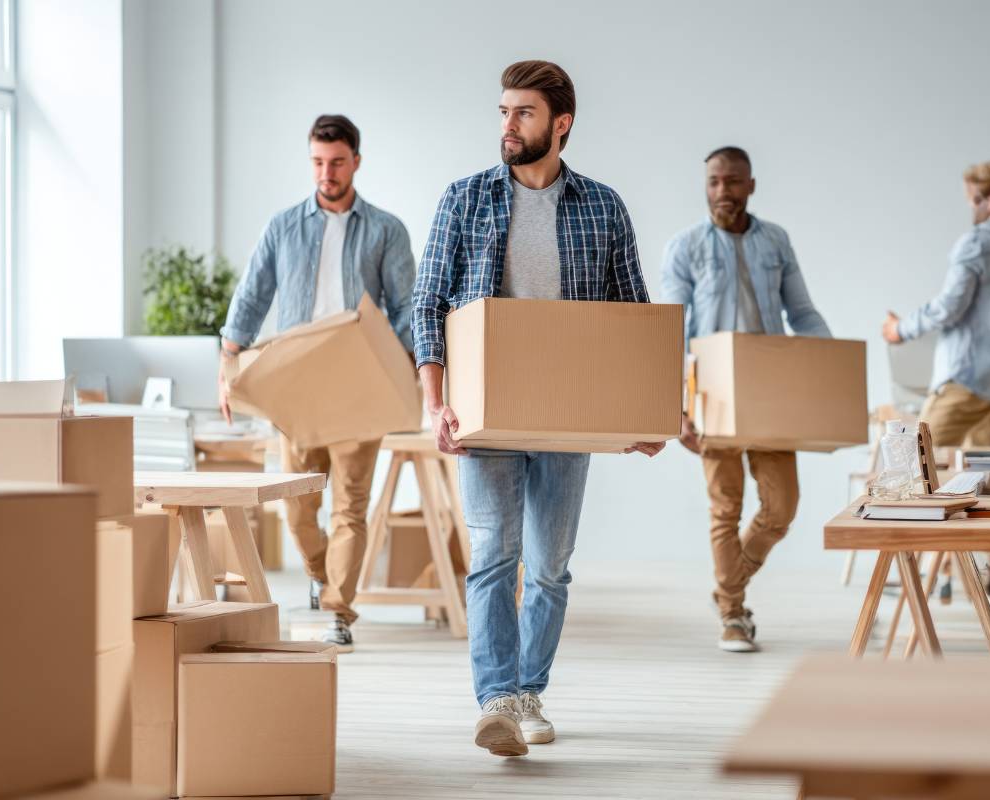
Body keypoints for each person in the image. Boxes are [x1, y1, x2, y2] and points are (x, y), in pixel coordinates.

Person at [412, 60, 663, 757]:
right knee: (495, 553)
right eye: (503, 111)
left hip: (566, 414)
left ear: (561, 124)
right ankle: (496, 699)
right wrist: (435, 402)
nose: (508, 125)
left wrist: (642, 414)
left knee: (550, 565)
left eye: (522, 113)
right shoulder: (465, 199)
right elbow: (427, 302)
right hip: (483, 411)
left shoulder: (602, 207)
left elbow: (632, 316)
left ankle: (528, 691)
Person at [218, 114, 416, 652]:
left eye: (337, 162)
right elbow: (252, 295)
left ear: (356, 162)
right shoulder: (283, 227)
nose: (327, 173)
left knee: (350, 505)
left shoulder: (386, 230)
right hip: (298, 386)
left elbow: (405, 308)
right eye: (318, 162)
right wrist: (228, 365)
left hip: (359, 386)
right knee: (297, 506)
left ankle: (338, 611)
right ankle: (320, 574)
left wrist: (404, 371)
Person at [662, 146, 831, 653]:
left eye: (732, 181)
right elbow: (674, 330)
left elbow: (802, 313)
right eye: (714, 182)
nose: (722, 191)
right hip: (711, 393)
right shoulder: (685, 247)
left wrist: (831, 369)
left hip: (769, 390)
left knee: (782, 507)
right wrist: (676, 404)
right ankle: (733, 615)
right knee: (725, 509)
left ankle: (726, 588)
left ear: (751, 185)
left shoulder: (775, 240)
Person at [881, 162, 990, 447]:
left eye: (974, 201)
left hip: (966, 379)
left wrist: (900, 328)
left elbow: (949, 307)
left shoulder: (976, 243)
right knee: (983, 470)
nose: (971, 208)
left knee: (920, 459)